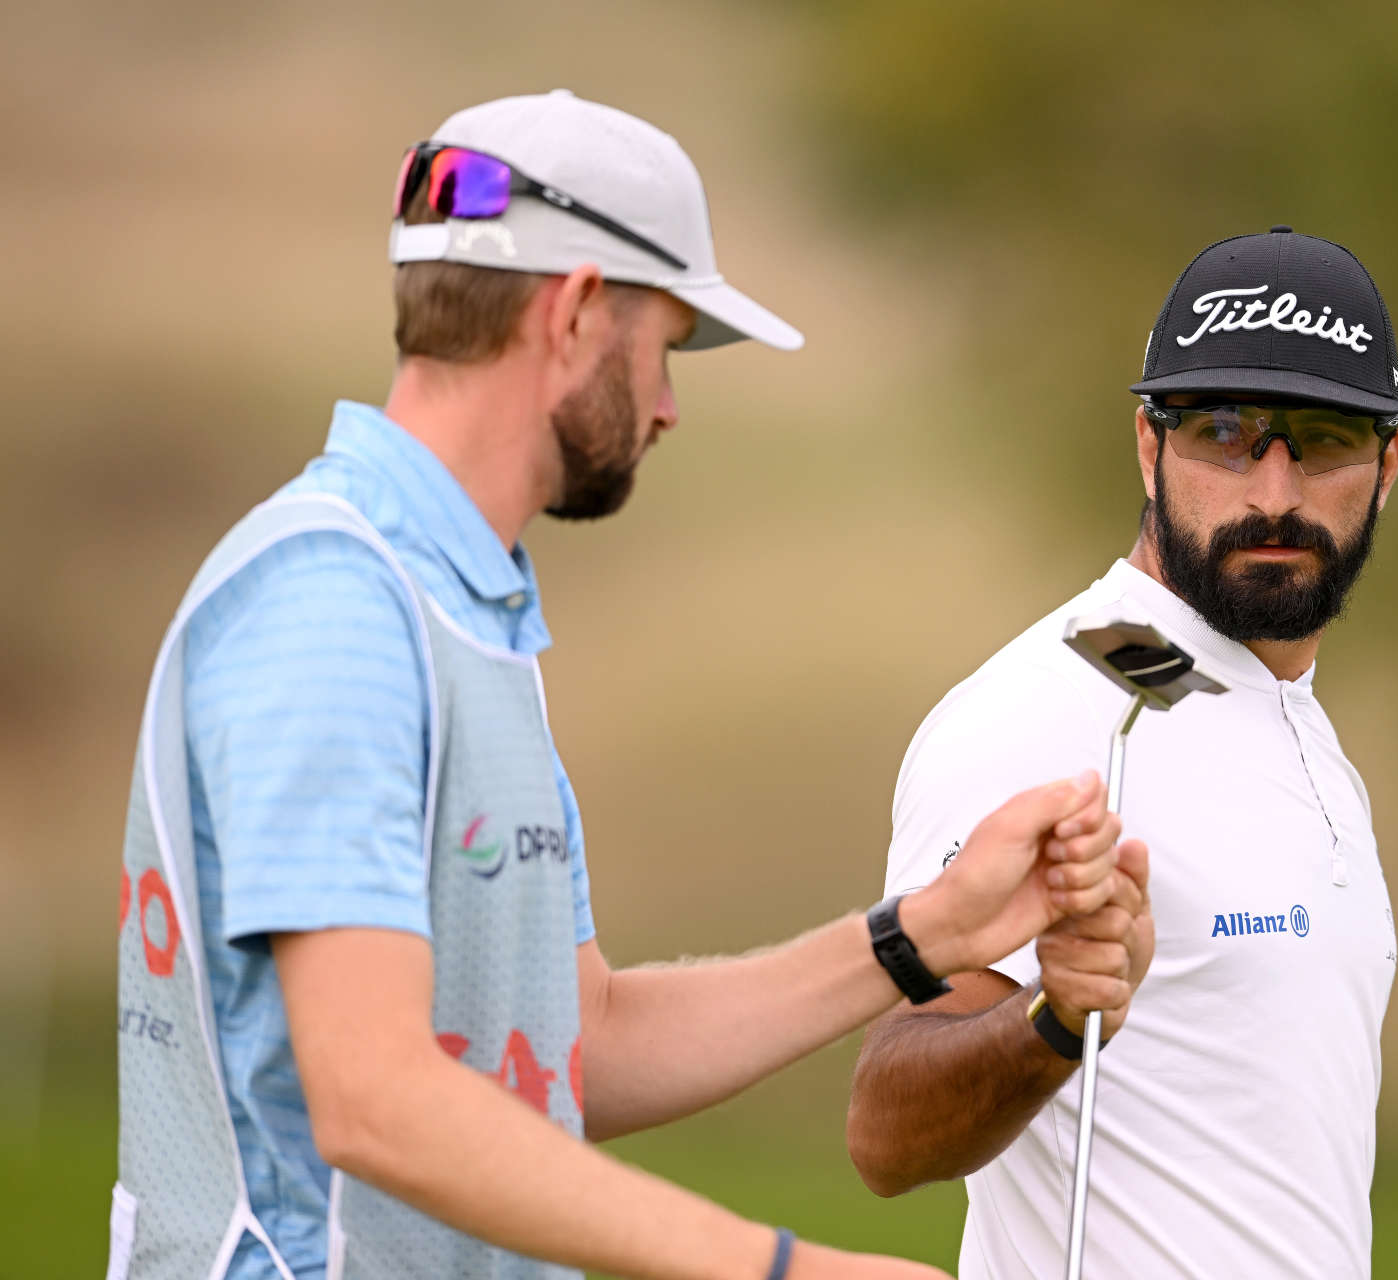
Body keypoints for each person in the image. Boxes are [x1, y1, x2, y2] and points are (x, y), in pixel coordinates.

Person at [109, 90, 1141, 1280]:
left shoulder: (459, 608)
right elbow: (375, 1098)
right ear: (580, 310)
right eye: (663, 348)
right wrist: (783, 1269)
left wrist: (926, 931)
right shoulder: (334, 605)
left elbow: (575, 1048)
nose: (666, 405)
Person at [847, 226, 1398, 1278]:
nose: (1274, 493)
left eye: (1324, 439)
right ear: (1148, 448)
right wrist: (1052, 1019)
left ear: (1389, 464)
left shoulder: (1301, 728)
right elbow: (886, 1125)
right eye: (1225, 432)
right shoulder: (1047, 712)